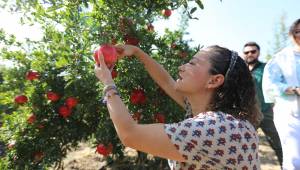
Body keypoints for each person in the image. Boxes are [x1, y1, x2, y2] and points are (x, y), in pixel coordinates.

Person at [95, 44, 262, 169]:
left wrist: (108, 83)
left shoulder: (212, 128)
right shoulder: (224, 119)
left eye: (192, 63)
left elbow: (129, 134)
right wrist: (137, 52)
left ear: (214, 80)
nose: (181, 67)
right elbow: (167, 82)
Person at [263, 18, 300, 170]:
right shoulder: (282, 58)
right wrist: (295, 89)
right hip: (291, 115)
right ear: (292, 35)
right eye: (298, 31)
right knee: (294, 158)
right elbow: (270, 85)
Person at [242, 42, 283, 166]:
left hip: (266, 112)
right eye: (247, 52)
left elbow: (277, 85)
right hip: (247, 114)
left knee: (278, 144)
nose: (250, 54)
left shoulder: (267, 68)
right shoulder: (240, 70)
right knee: (242, 145)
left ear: (258, 52)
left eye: (253, 51)